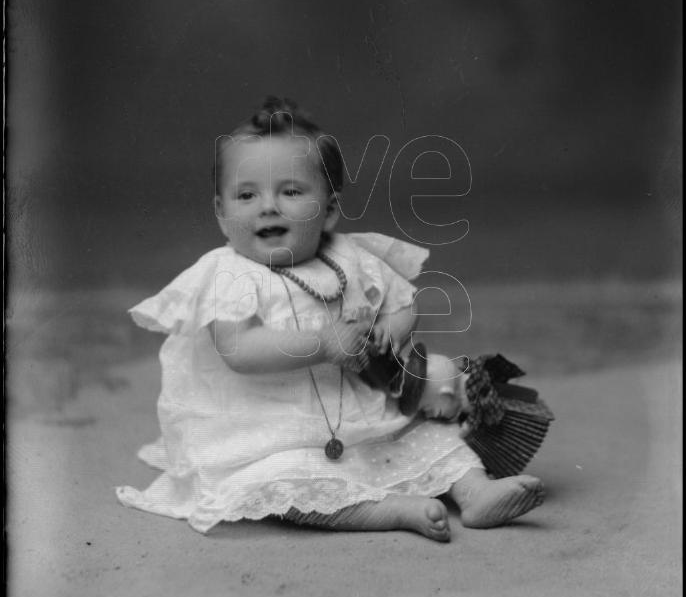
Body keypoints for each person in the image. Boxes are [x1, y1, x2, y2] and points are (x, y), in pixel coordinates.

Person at [116, 97, 544, 541]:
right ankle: (390, 510)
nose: (268, 206)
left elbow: (404, 302)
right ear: (222, 215)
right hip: (270, 426)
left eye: (291, 191)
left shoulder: (348, 258)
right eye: (247, 195)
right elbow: (239, 350)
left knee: (428, 441)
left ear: (330, 210)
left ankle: (475, 492)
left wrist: (390, 332)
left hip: (359, 413)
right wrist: (322, 344)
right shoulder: (228, 275)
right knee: (293, 481)